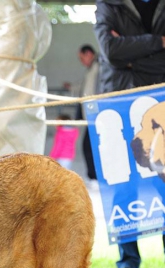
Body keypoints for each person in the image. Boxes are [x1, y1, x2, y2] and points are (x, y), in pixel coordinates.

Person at [94, 0, 165, 268]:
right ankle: (128, 263)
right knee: (122, 184)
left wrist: (130, 56)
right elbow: (110, 51)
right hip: (119, 105)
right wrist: (158, 42)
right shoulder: (108, 4)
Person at [76, 44, 99, 188]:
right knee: (89, 147)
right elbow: (85, 89)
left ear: (89, 53)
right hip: (92, 114)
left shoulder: (98, 67)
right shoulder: (92, 69)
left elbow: (93, 93)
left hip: (95, 115)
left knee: (89, 147)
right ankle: (94, 177)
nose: (81, 61)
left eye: (81, 57)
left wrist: (93, 115)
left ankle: (95, 177)